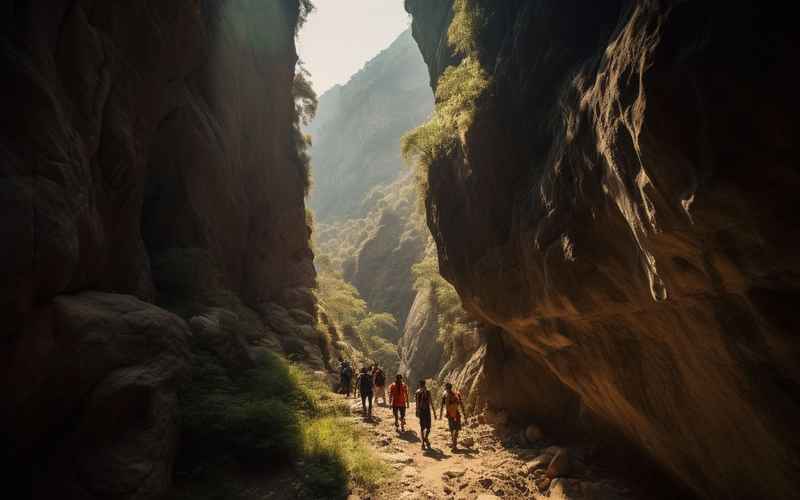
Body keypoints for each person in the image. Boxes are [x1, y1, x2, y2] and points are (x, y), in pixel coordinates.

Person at [439, 382, 466, 449]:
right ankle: (454, 443)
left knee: (452, 428)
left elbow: (442, 406)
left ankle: (454, 443)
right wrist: (464, 414)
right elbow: (461, 404)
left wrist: (440, 415)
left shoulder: (445, 395)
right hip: (456, 413)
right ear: (451, 387)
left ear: (446, 388)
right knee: (456, 428)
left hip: (449, 414)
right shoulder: (457, 394)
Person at [415, 380, 437, 449]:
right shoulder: (427, 392)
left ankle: (423, 442)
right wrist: (434, 412)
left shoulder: (418, 392)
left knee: (422, 428)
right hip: (426, 411)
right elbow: (431, 402)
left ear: (419, 384)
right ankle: (425, 439)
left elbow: (417, 404)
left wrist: (417, 411)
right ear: (425, 384)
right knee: (428, 427)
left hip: (422, 411)